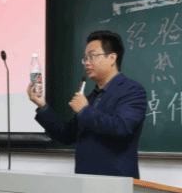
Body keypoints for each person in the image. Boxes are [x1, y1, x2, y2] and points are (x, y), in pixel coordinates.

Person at [27, 30, 147, 178]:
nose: (87, 63)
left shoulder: (132, 90)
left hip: (116, 182)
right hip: (85, 181)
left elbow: (121, 127)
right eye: (85, 59)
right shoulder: (91, 97)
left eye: (92, 56)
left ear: (112, 58)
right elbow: (67, 135)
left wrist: (84, 110)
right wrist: (42, 106)